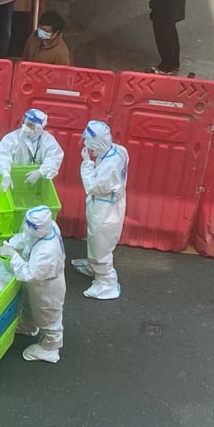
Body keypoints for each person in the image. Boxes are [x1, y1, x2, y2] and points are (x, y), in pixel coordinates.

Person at [0, 205, 66, 363]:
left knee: (48, 316)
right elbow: (26, 237)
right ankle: (27, 326)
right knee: (29, 305)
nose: (26, 226)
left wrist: (13, 256)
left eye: (29, 225)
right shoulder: (48, 227)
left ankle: (50, 348)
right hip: (38, 280)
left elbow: (29, 274)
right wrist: (7, 245)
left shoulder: (48, 250)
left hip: (47, 287)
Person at [72, 120, 129, 300]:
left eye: (89, 142)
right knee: (95, 238)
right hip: (107, 202)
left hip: (105, 207)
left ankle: (106, 283)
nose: (87, 146)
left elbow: (92, 186)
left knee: (100, 243)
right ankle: (93, 266)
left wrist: (87, 163)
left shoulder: (109, 165)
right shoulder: (119, 150)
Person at [0, 108, 64, 193]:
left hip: (38, 184)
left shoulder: (48, 140)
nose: (25, 127)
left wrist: (41, 172)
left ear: (38, 127)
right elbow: (2, 156)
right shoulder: (12, 138)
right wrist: (5, 174)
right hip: (14, 181)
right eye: (24, 123)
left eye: (30, 125)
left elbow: (54, 158)